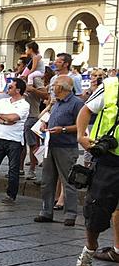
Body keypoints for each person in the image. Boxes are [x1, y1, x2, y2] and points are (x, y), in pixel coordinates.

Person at [75, 75, 119, 266]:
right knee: (95, 213)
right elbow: (85, 110)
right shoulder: (111, 86)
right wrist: (81, 136)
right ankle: (90, 247)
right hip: (109, 159)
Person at [34, 76, 82, 225]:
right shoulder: (56, 103)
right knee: (47, 180)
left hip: (66, 147)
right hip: (51, 145)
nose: (52, 88)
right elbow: (47, 118)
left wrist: (63, 129)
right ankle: (46, 211)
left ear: (61, 88)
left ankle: (70, 214)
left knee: (68, 181)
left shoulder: (77, 103)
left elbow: (81, 127)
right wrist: (44, 126)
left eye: (54, 85)